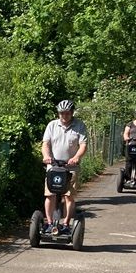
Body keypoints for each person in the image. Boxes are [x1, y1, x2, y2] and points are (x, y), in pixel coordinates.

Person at [41, 99, 88, 232]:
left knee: (68, 196)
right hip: (53, 166)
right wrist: (46, 156)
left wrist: (76, 157)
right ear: (58, 113)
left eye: (67, 113)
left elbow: (83, 145)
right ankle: (50, 223)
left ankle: (66, 224)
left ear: (72, 113)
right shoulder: (52, 125)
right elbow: (45, 144)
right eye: (62, 113)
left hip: (70, 167)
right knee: (50, 195)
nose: (64, 116)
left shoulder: (79, 126)